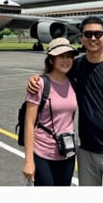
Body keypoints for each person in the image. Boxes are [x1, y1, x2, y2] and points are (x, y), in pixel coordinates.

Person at [27, 16, 103, 186]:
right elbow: (55, 75)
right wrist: (35, 78)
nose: (93, 38)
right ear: (82, 38)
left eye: (97, 34)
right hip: (85, 151)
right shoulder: (76, 66)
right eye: (88, 34)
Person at [22, 38, 78, 186]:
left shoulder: (73, 82)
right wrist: (29, 160)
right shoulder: (40, 84)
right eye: (61, 56)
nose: (66, 60)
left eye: (69, 56)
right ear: (51, 59)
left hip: (67, 152)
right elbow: (29, 123)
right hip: (42, 152)